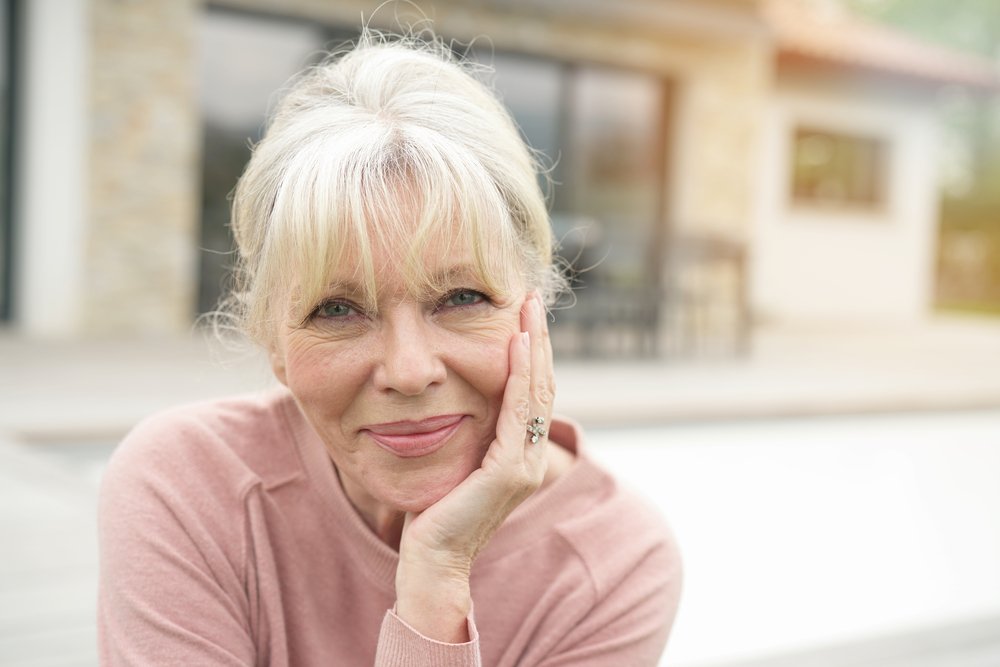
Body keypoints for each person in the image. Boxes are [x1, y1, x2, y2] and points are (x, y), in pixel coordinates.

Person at [97, 28, 682, 666]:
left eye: (461, 298)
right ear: (273, 342)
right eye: (338, 309)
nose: (408, 371)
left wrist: (437, 577)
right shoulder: (186, 486)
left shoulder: (616, 563)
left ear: (533, 311)